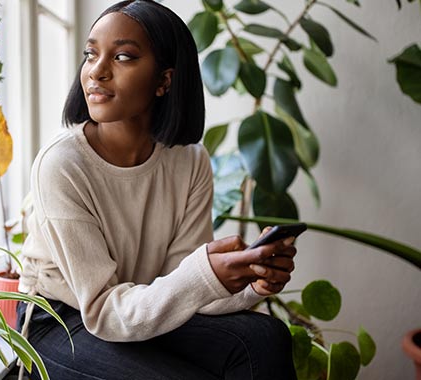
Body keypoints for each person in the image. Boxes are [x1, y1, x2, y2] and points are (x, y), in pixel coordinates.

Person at [16, 1, 297, 379]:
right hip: (61, 320)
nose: (96, 71)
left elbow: (180, 284)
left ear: (164, 80)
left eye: (123, 57)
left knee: (265, 337)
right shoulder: (62, 164)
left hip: (137, 304)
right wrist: (203, 274)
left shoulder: (189, 161)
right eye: (91, 54)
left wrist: (252, 282)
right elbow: (102, 310)